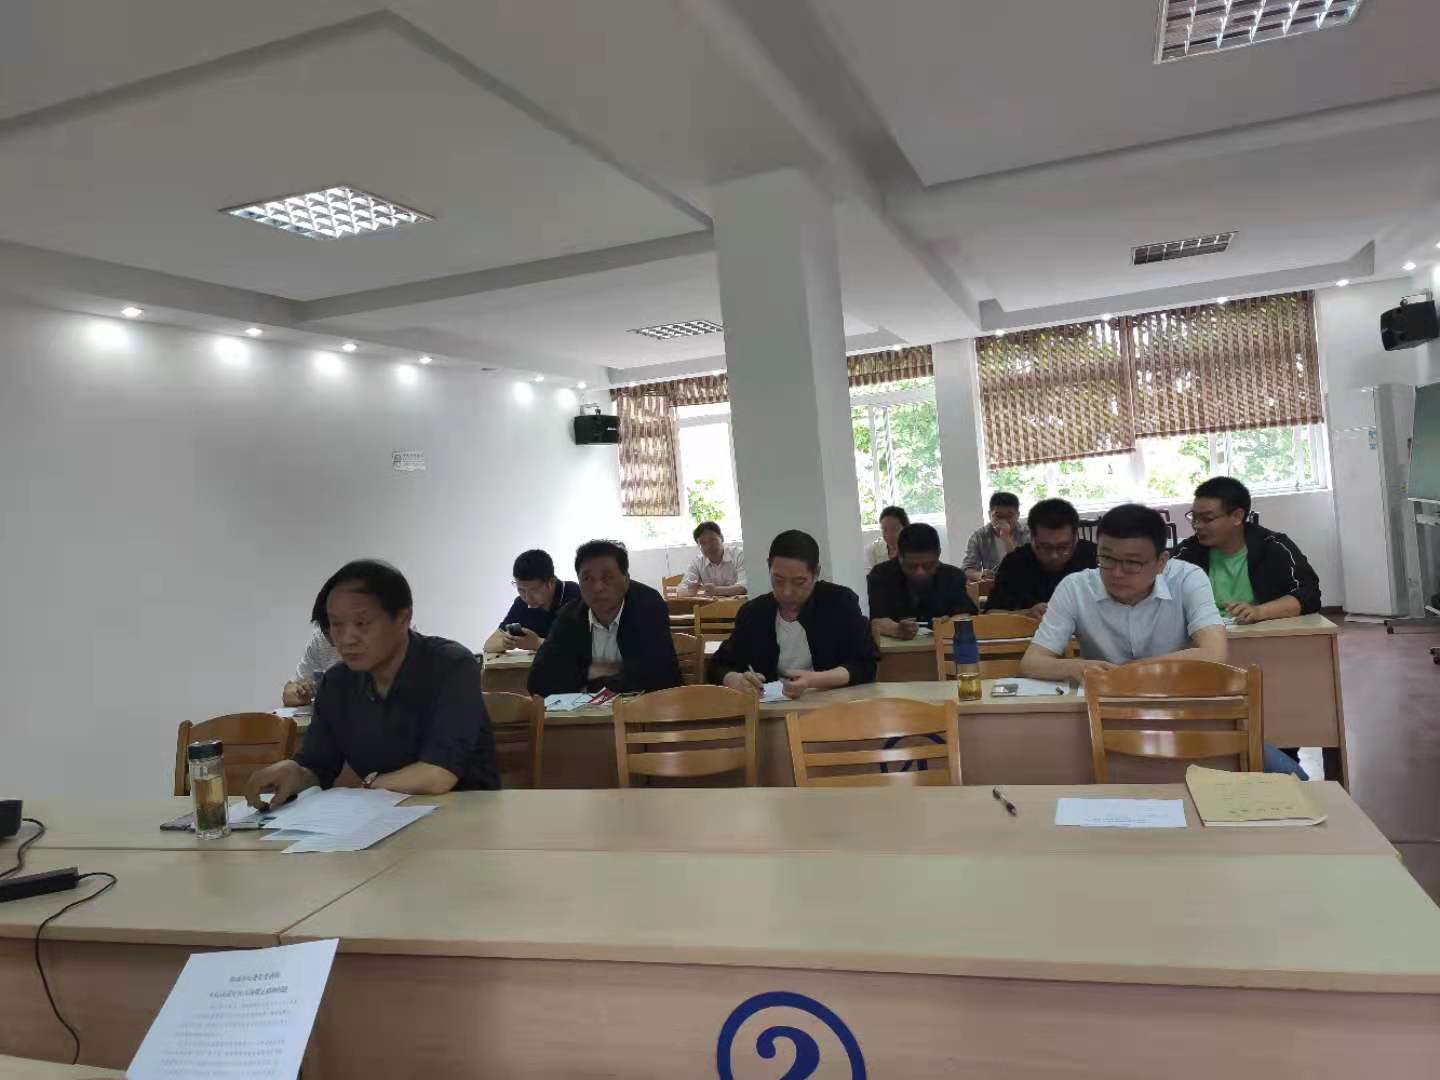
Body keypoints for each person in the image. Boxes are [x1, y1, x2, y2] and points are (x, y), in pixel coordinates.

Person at [1018, 504, 1304, 777]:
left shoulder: (1188, 578)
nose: (1116, 573)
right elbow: (1032, 662)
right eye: (1107, 558)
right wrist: (1078, 667)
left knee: (1294, 780)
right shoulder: (1075, 587)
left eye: (1132, 562)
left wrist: (1131, 671)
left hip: (1187, 711)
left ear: (1161, 562)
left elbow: (1214, 652)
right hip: (1109, 715)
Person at [246, 559, 499, 808]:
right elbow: (317, 766)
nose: (347, 639)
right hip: (382, 819)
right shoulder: (336, 683)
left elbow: (437, 775)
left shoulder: (451, 665)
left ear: (403, 618)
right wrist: (296, 773)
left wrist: (369, 786)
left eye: (362, 623)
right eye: (336, 625)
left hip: (466, 814)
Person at [711, 530, 878, 700]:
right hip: (771, 709)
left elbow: (865, 663)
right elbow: (720, 664)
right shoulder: (754, 613)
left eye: (799, 582)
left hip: (831, 704)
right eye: (778, 580)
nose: (787, 592)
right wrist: (733, 679)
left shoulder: (839, 602)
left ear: (816, 573)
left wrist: (814, 680)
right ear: (769, 567)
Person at [528, 540, 681, 695]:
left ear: (626, 579)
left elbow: (657, 676)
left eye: (608, 577)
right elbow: (537, 682)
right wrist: (591, 671)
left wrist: (589, 681)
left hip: (651, 706)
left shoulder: (648, 605)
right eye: (588, 579)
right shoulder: (569, 616)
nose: (597, 587)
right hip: (587, 710)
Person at [1175, 477, 1322, 624]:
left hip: (1260, 631)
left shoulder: (1273, 547)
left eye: (1207, 519)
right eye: (1194, 517)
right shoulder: (1188, 552)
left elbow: (1309, 594)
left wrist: (1259, 612)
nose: (1197, 525)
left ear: (1237, 516)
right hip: (1205, 631)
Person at [985, 498, 1098, 620]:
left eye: (1063, 547)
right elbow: (991, 615)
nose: (1054, 555)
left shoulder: (1092, 556)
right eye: (1045, 547)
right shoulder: (1015, 562)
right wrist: (1026, 614)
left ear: (1075, 539)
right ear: (1032, 539)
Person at [867, 522, 976, 639]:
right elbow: (877, 621)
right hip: (897, 646)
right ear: (899, 557)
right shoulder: (881, 575)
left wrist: (951, 623)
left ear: (938, 554)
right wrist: (896, 629)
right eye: (912, 566)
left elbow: (965, 614)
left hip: (941, 644)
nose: (920, 572)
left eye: (928, 565)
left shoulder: (953, 576)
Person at [481, 549, 581, 654]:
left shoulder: (576, 595)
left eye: (534, 590)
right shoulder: (521, 603)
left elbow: (585, 646)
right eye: (521, 590)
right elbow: (488, 645)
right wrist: (505, 643)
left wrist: (538, 643)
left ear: (551, 582)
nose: (528, 598)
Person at [962, 492, 1030, 582]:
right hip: (994, 586)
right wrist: (980, 575)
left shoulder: (1028, 534)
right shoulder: (979, 536)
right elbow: (967, 568)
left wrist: (1006, 538)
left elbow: (1026, 567)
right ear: (989, 515)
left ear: (1018, 515)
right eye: (998, 516)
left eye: (1009, 516)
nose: (1004, 520)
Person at [680, 522, 747, 596]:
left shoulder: (739, 555)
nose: (708, 546)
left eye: (712, 540)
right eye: (702, 543)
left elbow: (745, 586)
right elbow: (682, 589)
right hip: (711, 603)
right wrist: (690, 589)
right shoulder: (697, 563)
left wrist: (716, 591)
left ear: (721, 538)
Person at [281, 621, 339, 707]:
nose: (333, 641)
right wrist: (301, 693)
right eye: (326, 633)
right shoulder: (319, 640)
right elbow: (289, 694)